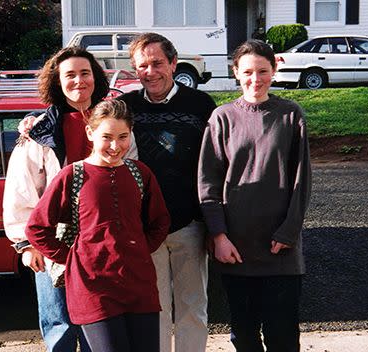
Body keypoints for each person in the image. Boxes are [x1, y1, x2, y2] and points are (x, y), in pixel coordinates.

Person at [2, 46, 136, 352]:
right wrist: (25, 244)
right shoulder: (40, 131)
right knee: (60, 324)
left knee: (99, 324)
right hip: (53, 243)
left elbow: (129, 176)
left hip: (102, 240)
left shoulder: (113, 120)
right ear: (57, 81)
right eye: (70, 75)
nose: (79, 81)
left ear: (95, 77)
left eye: (85, 73)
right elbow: (21, 189)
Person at [25, 99, 170, 352]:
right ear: (90, 133)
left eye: (123, 136)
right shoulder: (72, 175)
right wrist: (72, 258)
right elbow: (37, 228)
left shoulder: (140, 172)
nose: (115, 146)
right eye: (107, 137)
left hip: (140, 286)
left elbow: (159, 221)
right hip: (92, 289)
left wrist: (139, 249)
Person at [197, 39, 312, 352]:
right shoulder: (222, 118)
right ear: (236, 72)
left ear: (273, 71)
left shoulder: (290, 115)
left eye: (263, 70)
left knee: (283, 335)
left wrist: (289, 231)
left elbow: (302, 180)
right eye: (247, 71)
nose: (255, 78)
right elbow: (208, 182)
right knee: (244, 335)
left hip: (281, 248)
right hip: (236, 247)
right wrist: (218, 235)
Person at [118, 32, 217, 352]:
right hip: (145, 228)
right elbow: (92, 123)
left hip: (190, 223)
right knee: (152, 307)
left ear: (174, 64)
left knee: (193, 306)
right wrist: (37, 121)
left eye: (157, 63)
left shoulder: (200, 105)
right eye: (142, 66)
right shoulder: (126, 107)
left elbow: (216, 162)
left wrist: (213, 223)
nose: (150, 72)